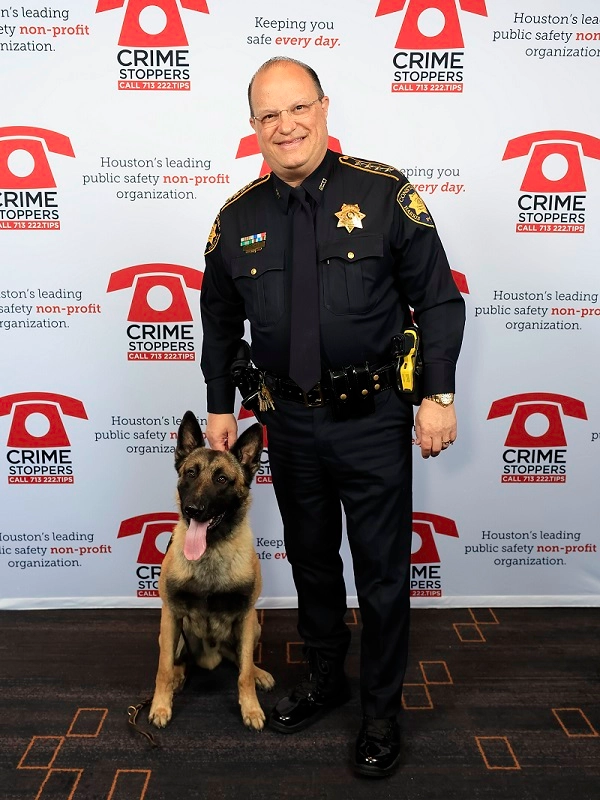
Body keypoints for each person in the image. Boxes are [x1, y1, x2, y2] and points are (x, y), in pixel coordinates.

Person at [200, 56, 465, 778]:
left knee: (381, 573)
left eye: (298, 108)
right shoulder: (237, 219)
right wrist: (219, 405)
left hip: (372, 418)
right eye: (269, 115)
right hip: (286, 422)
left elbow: (439, 301)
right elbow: (219, 320)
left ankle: (380, 712)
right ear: (253, 127)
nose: (285, 125)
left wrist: (438, 395)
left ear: (323, 109)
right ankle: (325, 679)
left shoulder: (384, 194)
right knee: (312, 562)